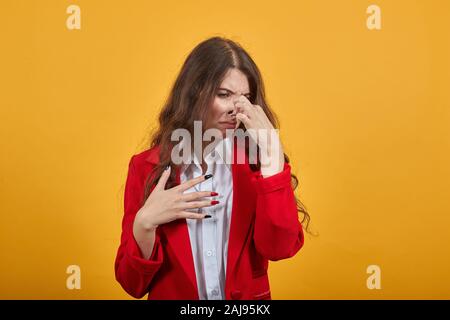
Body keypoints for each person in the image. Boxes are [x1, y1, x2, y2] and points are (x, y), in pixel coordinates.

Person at [114, 37, 310, 300]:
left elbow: (280, 248)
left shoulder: (258, 165)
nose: (236, 108)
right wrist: (144, 224)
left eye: (246, 97)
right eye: (224, 94)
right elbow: (132, 284)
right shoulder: (145, 167)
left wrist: (272, 156)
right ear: (194, 93)